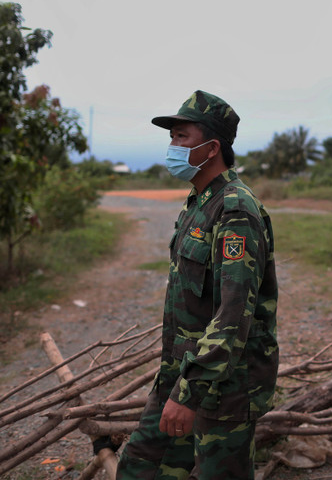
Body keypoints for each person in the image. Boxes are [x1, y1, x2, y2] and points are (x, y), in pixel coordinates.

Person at [117, 90, 279, 480]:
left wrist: (189, 393)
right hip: (182, 371)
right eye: (171, 136)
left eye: (181, 136)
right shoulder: (199, 202)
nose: (171, 145)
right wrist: (176, 383)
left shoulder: (235, 209)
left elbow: (233, 315)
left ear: (211, 148)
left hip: (223, 386)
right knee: (140, 463)